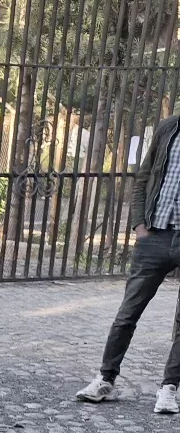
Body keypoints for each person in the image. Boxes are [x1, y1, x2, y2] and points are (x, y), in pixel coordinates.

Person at [77, 113, 180, 413]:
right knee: (127, 313)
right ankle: (105, 379)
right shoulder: (168, 128)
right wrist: (139, 226)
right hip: (155, 237)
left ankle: (169, 389)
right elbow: (143, 178)